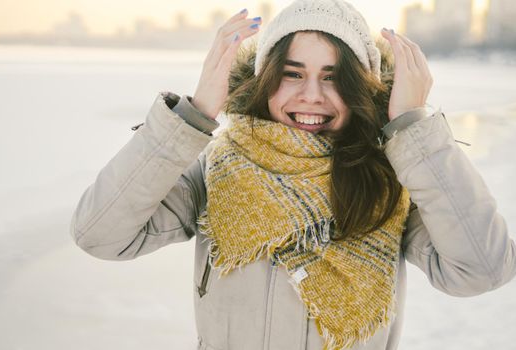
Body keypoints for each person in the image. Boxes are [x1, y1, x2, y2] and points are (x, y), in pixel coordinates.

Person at [70, 0, 516, 349]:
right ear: (265, 80)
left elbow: (482, 269)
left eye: (334, 77)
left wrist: (413, 130)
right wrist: (193, 117)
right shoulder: (219, 169)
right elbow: (101, 234)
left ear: (361, 86)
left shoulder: (392, 179)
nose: (311, 96)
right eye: (292, 73)